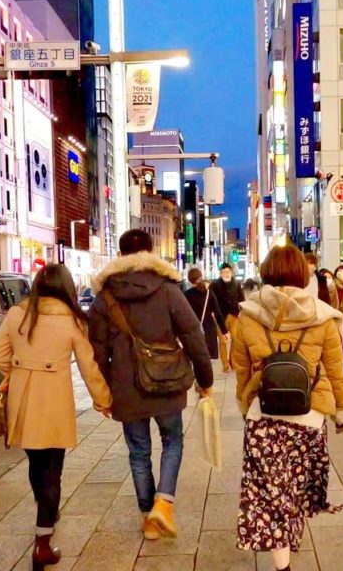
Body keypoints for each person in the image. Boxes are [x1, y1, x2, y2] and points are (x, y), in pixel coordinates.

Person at [88, 229, 215, 541]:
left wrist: (104, 393)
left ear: (120, 255)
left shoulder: (105, 296)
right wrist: (205, 380)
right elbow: (193, 335)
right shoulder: (168, 289)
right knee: (173, 441)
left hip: (125, 388)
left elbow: (97, 352)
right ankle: (164, 502)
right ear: (151, 252)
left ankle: (148, 519)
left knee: (138, 451)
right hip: (166, 381)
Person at [233, 244, 343, 571]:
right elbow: (336, 370)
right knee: (296, 489)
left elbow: (241, 369)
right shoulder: (322, 316)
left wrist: (245, 404)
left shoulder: (248, 315)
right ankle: (290, 535)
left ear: (266, 273)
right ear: (303, 274)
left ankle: (281, 561)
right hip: (309, 416)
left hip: (264, 416)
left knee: (270, 494)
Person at [0, 264, 112, 570]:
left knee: (36, 463)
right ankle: (42, 542)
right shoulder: (72, 320)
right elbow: (88, 366)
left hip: (23, 402)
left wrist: (20, 372)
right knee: (53, 471)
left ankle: (46, 512)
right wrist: (103, 400)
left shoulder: (17, 314)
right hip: (54, 403)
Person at [184, 268, 229, 360]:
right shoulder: (209, 293)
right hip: (208, 330)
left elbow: (182, 315)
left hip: (192, 330)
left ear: (189, 280)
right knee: (207, 359)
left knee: (195, 358)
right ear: (201, 277)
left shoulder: (186, 295)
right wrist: (224, 331)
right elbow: (218, 313)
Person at [210, 262, 243, 372]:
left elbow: (242, 299)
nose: (226, 274)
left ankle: (233, 361)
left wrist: (242, 312)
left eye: (228, 272)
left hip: (234, 315)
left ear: (231, 272)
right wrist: (212, 312)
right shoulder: (214, 284)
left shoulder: (237, 283)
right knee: (223, 341)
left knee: (236, 339)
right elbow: (211, 299)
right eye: (223, 272)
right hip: (220, 317)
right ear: (220, 273)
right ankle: (225, 364)